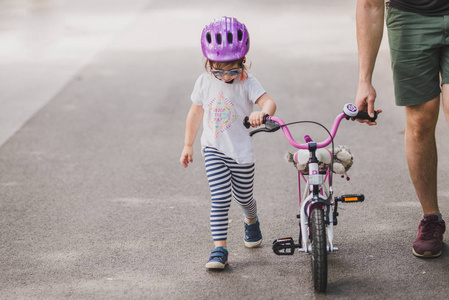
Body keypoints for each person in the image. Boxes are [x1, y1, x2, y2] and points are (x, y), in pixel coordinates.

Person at [180, 16, 276, 269]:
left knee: (244, 197)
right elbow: (195, 113)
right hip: (213, 148)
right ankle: (219, 250)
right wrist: (188, 144)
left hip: (241, 152)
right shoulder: (204, 81)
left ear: (243, 61)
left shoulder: (248, 82)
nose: (224, 76)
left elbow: (269, 102)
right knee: (220, 198)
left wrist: (262, 112)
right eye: (217, 69)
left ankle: (251, 220)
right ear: (208, 62)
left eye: (232, 70)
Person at [356, 0, 448, 258]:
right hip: (410, 17)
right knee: (420, 122)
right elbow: (369, 4)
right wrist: (365, 82)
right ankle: (431, 218)